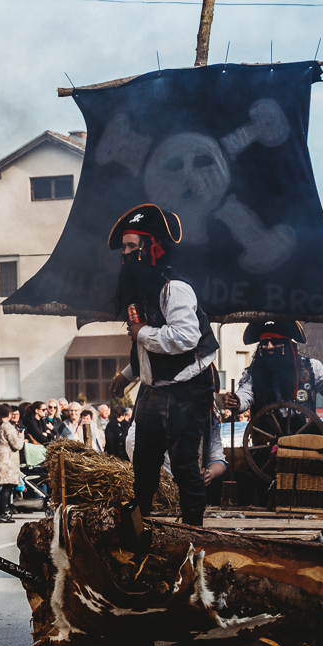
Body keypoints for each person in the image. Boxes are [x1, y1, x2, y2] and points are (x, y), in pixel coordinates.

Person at [105, 203, 218, 538]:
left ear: (150, 248)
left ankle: (194, 533)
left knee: (184, 464)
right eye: (123, 247)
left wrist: (142, 333)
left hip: (188, 388)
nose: (124, 254)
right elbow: (148, 349)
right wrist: (128, 373)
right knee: (144, 465)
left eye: (130, 247)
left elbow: (185, 337)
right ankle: (139, 531)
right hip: (155, 388)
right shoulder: (143, 292)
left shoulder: (175, 288)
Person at [0, 402, 24, 523]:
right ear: (9, 413)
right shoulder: (8, 427)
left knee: (2, 486)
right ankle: (3, 513)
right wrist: (21, 436)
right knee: (7, 487)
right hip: (8, 461)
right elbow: (17, 445)